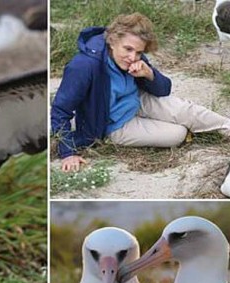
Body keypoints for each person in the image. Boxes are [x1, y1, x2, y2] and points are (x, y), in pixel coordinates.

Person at [51, 12, 230, 172]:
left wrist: (149, 74)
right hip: (110, 122)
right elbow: (60, 109)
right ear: (112, 41)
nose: (132, 58)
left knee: (186, 110)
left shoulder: (134, 55)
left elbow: (164, 90)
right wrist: (68, 153)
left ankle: (227, 127)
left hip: (136, 100)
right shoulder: (83, 66)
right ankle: (186, 129)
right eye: (128, 49)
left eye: (138, 52)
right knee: (177, 134)